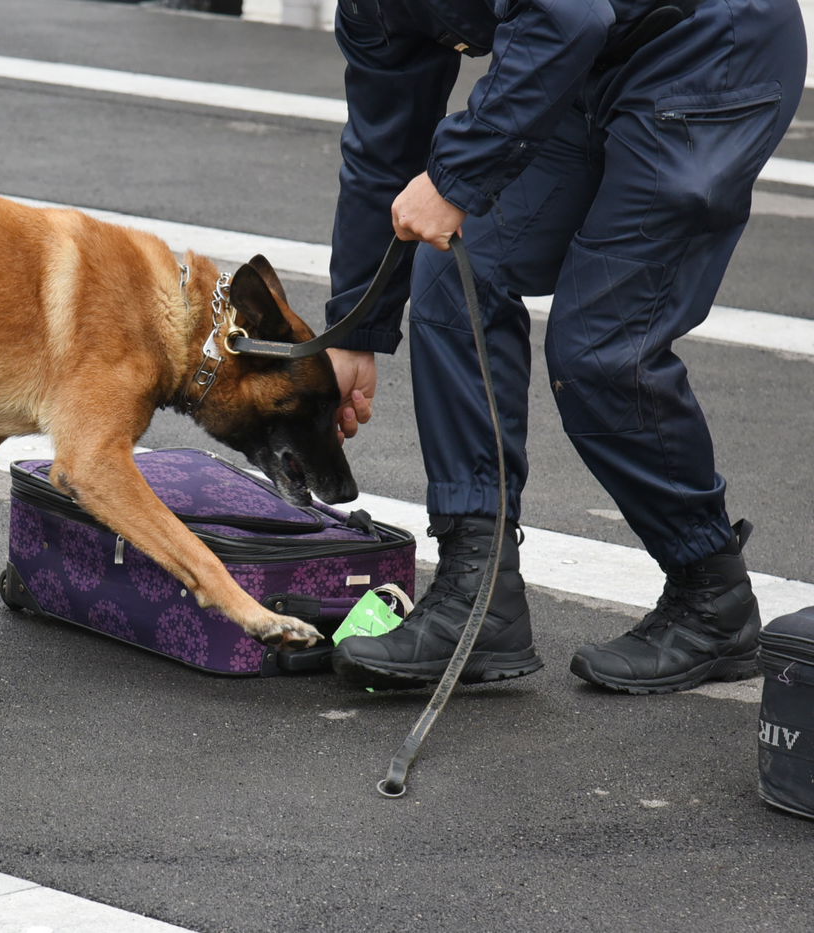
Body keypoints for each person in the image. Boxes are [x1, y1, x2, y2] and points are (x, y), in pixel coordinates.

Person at [323, 0, 806, 694]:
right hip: (586, 58)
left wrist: (456, 179)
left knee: (600, 349)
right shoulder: (369, 10)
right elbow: (382, 151)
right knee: (454, 271)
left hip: (709, 47)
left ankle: (712, 596)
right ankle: (479, 594)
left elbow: (565, 16)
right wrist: (352, 334)